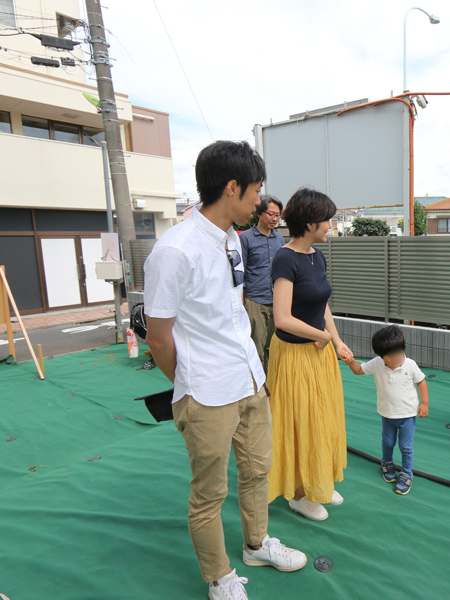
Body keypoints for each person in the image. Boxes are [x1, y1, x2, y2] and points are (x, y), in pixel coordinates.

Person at [144, 141, 306, 600]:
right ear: (232, 187)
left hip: (250, 378)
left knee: (257, 471)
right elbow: (158, 337)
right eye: (256, 191)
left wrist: (254, 370)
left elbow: (231, 311)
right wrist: (188, 385)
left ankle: (256, 545)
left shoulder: (232, 238)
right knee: (208, 495)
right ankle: (220, 578)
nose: (261, 202)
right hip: (206, 392)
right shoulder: (173, 251)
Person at [267, 187, 354, 522]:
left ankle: (319, 480)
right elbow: (282, 318)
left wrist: (336, 339)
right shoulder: (285, 258)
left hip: (318, 353)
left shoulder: (318, 256)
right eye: (327, 219)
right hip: (293, 356)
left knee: (323, 418)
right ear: (309, 222)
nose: (331, 225)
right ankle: (299, 494)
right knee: (301, 423)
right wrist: (322, 336)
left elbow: (323, 305)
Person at [344, 325, 429, 495]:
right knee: (388, 442)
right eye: (391, 356)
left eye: (399, 353)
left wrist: (424, 403)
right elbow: (359, 370)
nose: (397, 359)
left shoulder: (410, 365)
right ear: (382, 357)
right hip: (387, 415)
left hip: (407, 416)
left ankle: (406, 473)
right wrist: (350, 361)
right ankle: (387, 463)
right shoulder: (376, 364)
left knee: (406, 446)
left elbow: (421, 381)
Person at [240, 195, 285, 371]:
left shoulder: (279, 240)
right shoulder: (245, 238)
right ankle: (257, 389)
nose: (274, 218)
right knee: (256, 348)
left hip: (276, 302)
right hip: (254, 301)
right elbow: (239, 272)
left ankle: (270, 387)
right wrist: (242, 303)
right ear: (259, 213)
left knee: (272, 347)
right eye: (270, 214)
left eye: (277, 215)